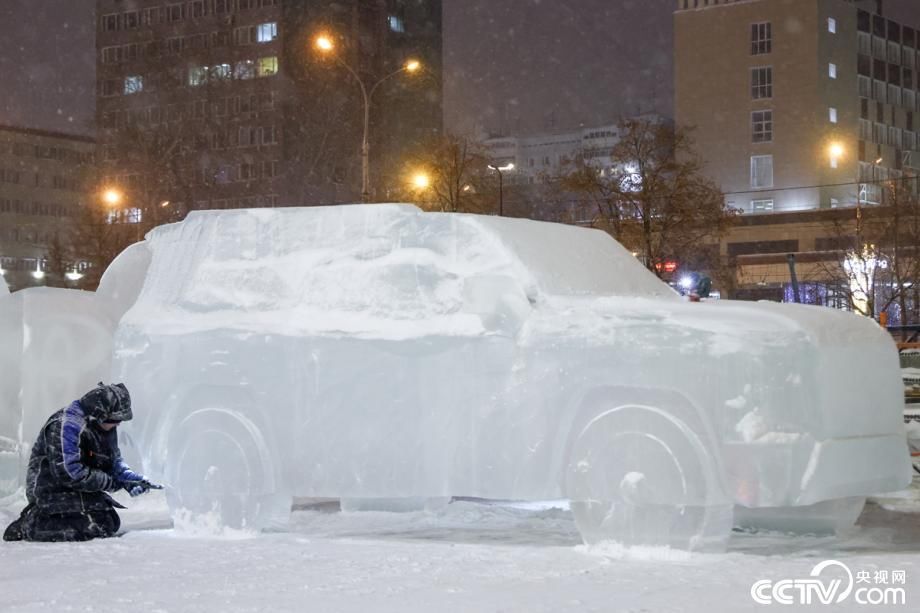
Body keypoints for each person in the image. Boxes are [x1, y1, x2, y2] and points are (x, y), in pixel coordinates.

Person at [3, 382, 162, 542]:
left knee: (109, 520)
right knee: (96, 526)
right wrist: (111, 482)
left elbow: (112, 461)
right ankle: (31, 524)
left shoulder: (105, 426)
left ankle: (47, 519)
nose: (118, 424)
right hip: (50, 490)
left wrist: (128, 479)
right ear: (99, 414)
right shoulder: (66, 425)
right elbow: (70, 473)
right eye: (115, 419)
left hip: (75, 489)